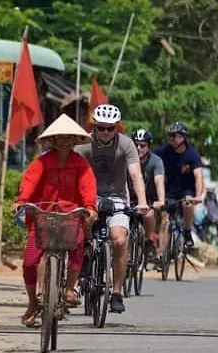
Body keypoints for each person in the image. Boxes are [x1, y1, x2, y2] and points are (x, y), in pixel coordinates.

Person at [15, 115, 99, 327]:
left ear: (73, 141)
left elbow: (88, 188)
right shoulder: (41, 162)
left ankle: (70, 288)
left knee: (78, 244)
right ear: (53, 140)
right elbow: (29, 182)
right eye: (59, 138)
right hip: (43, 216)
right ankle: (33, 302)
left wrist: (89, 207)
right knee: (29, 262)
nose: (63, 142)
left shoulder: (81, 164)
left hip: (70, 216)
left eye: (67, 139)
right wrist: (22, 201)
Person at [72, 104, 150, 314]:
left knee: (119, 240)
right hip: (90, 196)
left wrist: (141, 201)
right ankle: (86, 256)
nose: (106, 132)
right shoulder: (83, 145)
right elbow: (74, 174)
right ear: (94, 127)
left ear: (117, 128)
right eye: (101, 128)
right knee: (83, 228)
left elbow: (135, 175)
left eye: (110, 128)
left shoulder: (126, 144)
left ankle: (116, 293)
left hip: (117, 197)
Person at [154, 121, 205, 251]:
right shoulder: (164, 151)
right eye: (170, 135)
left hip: (187, 189)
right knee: (165, 218)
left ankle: (187, 232)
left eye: (174, 135)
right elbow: (149, 157)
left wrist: (198, 196)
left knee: (187, 205)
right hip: (169, 189)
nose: (171, 138)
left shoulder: (192, 154)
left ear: (183, 137)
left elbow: (198, 176)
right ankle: (161, 254)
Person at [131, 128, 166, 257]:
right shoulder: (126, 159)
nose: (138, 148)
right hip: (130, 198)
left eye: (143, 145)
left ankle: (148, 240)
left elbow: (159, 181)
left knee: (149, 215)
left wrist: (161, 200)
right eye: (136, 144)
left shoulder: (156, 162)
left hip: (149, 199)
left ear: (149, 147)